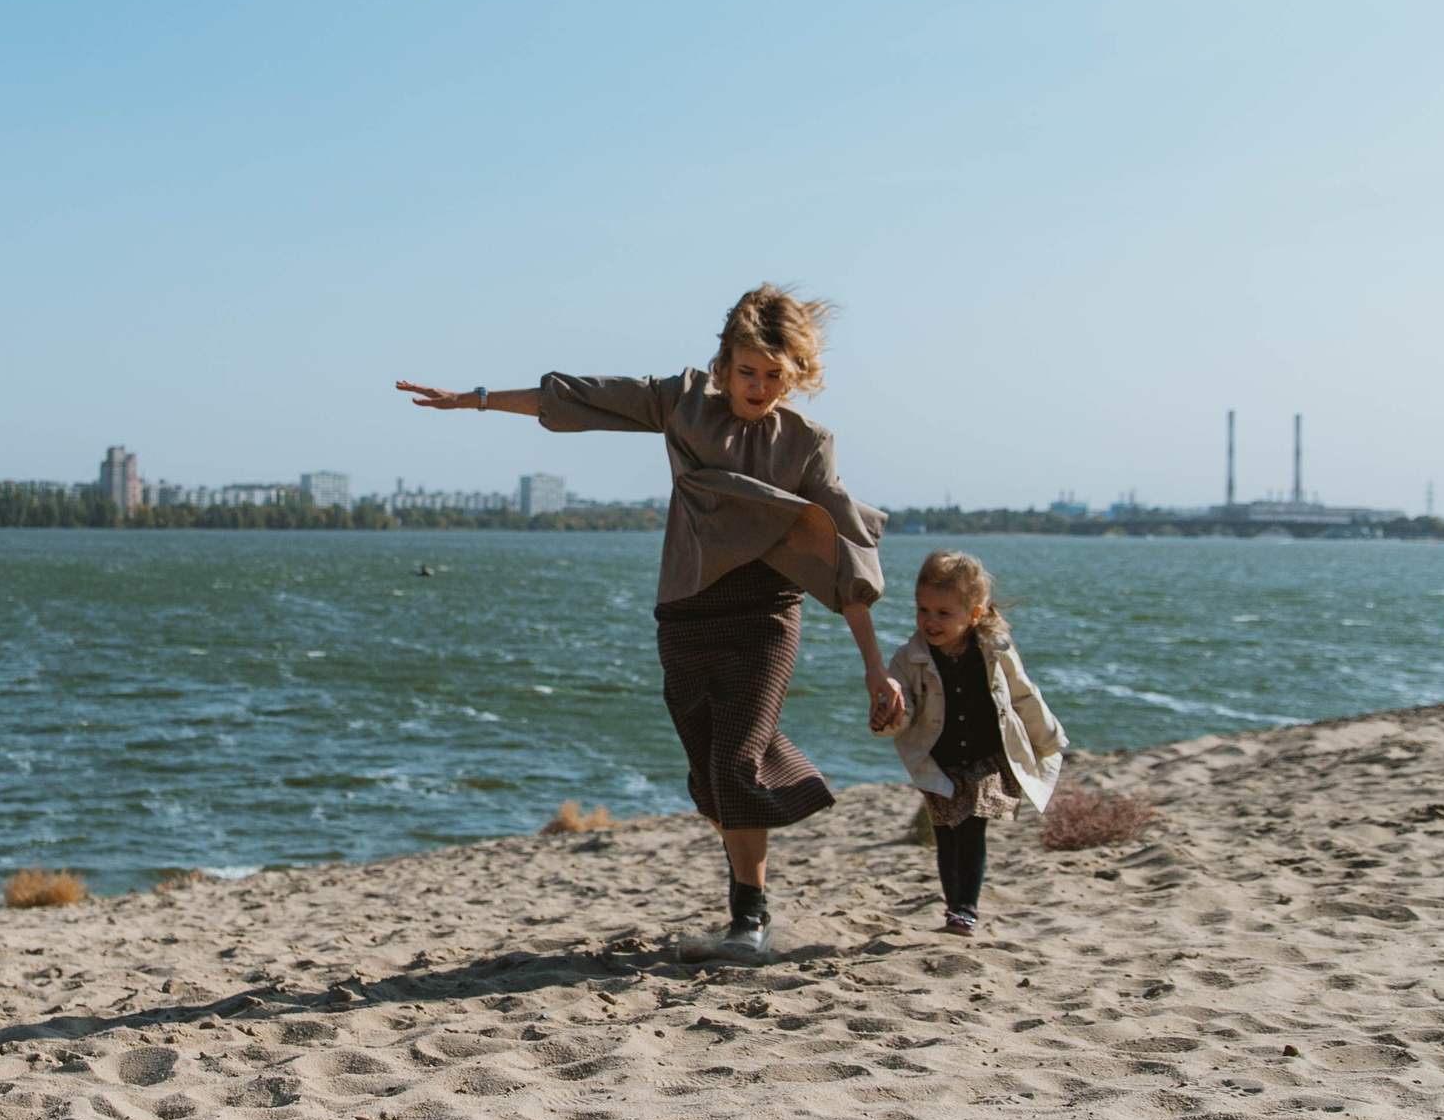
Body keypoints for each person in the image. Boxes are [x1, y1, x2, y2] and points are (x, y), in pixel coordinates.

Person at [398, 284, 904, 960]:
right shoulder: (684, 401)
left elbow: (846, 560)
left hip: (764, 613)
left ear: (797, 375)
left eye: (774, 376)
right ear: (723, 365)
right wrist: (478, 398)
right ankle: (763, 835)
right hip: (686, 609)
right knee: (710, 776)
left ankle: (747, 916)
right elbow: (580, 397)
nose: (758, 388)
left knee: (735, 761)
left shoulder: (808, 443)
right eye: (747, 371)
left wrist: (875, 665)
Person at [874, 549, 1067, 937]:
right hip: (941, 760)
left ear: (974, 614)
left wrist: (1048, 738)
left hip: (985, 757)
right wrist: (889, 718)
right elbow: (904, 706)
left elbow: (1022, 694)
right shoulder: (907, 658)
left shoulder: (994, 649)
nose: (930, 621)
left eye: (944, 613)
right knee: (946, 832)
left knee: (972, 826)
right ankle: (953, 907)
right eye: (923, 610)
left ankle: (966, 909)